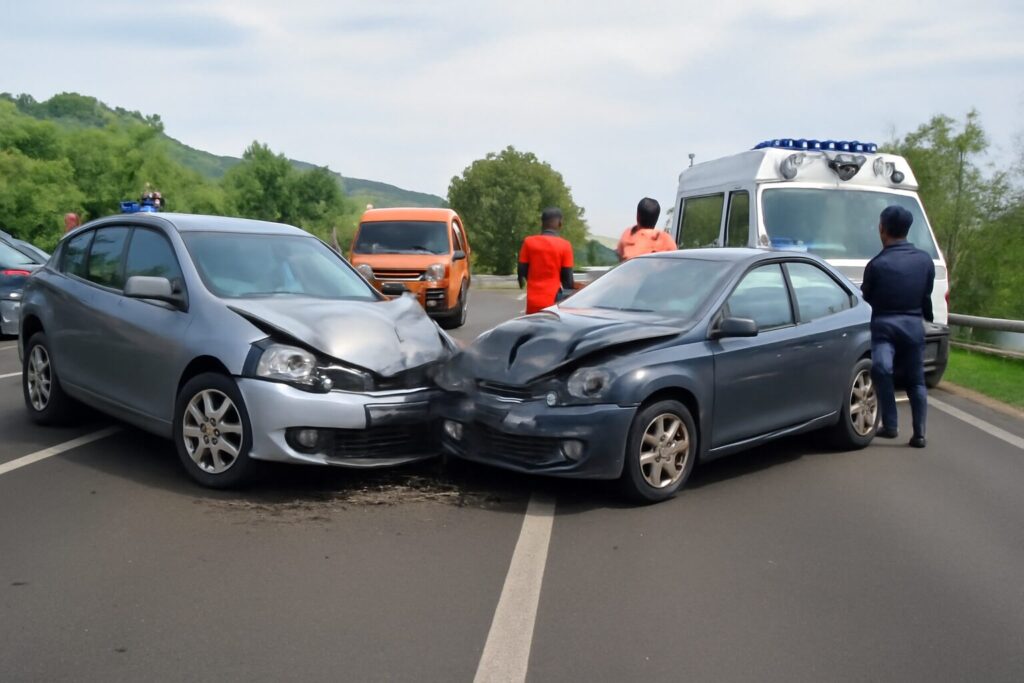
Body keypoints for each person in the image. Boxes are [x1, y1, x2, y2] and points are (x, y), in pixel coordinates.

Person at [861, 205, 935, 448]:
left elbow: (867, 296)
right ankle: (916, 433)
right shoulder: (924, 260)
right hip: (913, 326)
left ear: (882, 229)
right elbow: (926, 295)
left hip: (884, 327)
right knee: (916, 381)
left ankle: (894, 426)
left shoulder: (876, 264)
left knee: (881, 370)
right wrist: (928, 317)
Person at [518, 207, 574, 314]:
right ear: (560, 223)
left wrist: (524, 281)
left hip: (533, 302)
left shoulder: (529, 242)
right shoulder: (565, 245)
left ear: (542, 223)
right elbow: (567, 279)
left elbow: (522, 270)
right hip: (554, 303)